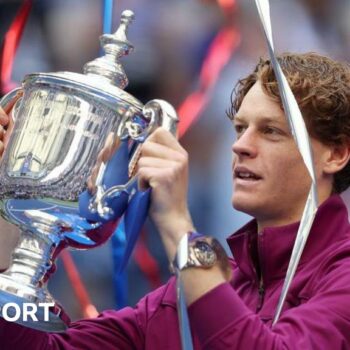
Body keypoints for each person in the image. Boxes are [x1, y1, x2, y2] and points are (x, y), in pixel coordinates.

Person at [1, 51, 350, 349]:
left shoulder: (343, 278)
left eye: (271, 131)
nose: (240, 145)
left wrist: (177, 224)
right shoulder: (195, 292)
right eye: (240, 128)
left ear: (335, 154)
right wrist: (14, 267)